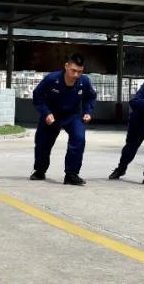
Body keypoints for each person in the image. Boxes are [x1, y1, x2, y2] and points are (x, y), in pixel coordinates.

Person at [30, 53, 97, 186]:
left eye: (79, 72)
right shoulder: (51, 79)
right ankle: (40, 171)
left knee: (79, 138)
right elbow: (37, 97)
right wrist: (46, 113)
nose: (76, 75)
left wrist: (88, 112)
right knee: (43, 144)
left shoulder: (84, 81)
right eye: (73, 70)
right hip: (52, 116)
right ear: (66, 66)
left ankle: (71, 174)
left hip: (72, 116)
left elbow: (90, 97)